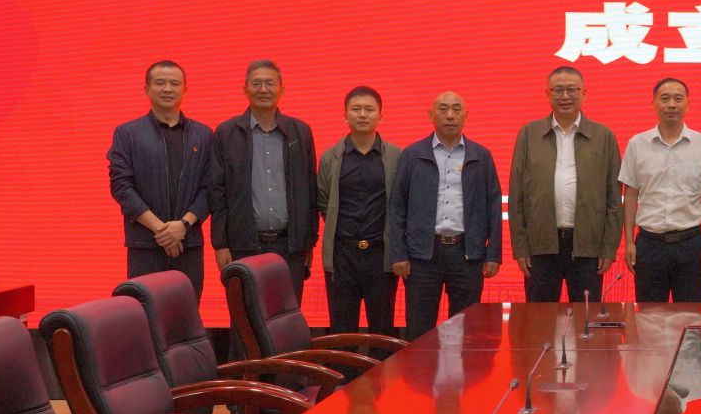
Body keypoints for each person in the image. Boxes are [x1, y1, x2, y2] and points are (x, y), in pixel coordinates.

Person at [389, 91, 503, 336]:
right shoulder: (412, 154)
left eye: (456, 109)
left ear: (466, 116)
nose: (450, 115)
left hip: (467, 254)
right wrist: (398, 253)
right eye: (443, 109)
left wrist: (493, 253)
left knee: (466, 330)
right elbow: (397, 206)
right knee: (419, 329)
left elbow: (494, 206)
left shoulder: (481, 156)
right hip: (422, 255)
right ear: (430, 115)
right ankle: (420, 365)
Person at [508, 65, 623, 305]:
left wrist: (608, 248)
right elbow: (517, 195)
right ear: (547, 94)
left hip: (587, 246)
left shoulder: (603, 136)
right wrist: (521, 247)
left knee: (586, 318)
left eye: (572, 89)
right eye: (558, 90)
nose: (565, 96)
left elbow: (614, 198)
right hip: (541, 245)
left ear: (584, 93)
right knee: (539, 319)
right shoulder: (529, 134)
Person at [209, 60, 319, 300]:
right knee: (244, 316)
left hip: (289, 246)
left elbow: (310, 190)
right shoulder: (226, 133)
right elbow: (217, 192)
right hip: (243, 245)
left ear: (282, 90)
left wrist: (308, 242)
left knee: (286, 315)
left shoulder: (300, 132)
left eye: (270, 83)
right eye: (256, 83)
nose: (263, 89)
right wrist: (220, 244)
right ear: (245, 90)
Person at [107, 60, 213, 297]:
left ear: (185, 89)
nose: (167, 89)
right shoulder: (127, 133)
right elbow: (122, 187)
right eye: (160, 83)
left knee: (186, 312)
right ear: (146, 89)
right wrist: (161, 230)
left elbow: (210, 187)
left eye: (174, 83)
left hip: (188, 244)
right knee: (144, 311)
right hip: (144, 244)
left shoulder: (203, 135)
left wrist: (183, 225)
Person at [620, 77, 701, 303]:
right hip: (649, 244)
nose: (671, 104)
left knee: (691, 315)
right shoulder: (637, 144)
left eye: (678, 99)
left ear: (688, 104)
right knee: (649, 316)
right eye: (665, 99)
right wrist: (629, 242)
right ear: (654, 104)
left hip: (691, 244)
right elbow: (631, 195)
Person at [315, 85, 401, 334]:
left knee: (383, 328)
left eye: (369, 109)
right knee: (342, 330)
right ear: (345, 116)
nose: (362, 114)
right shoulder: (331, 157)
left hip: (381, 254)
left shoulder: (397, 157)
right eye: (356, 109)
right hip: (342, 255)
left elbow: (402, 203)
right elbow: (323, 200)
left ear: (380, 116)